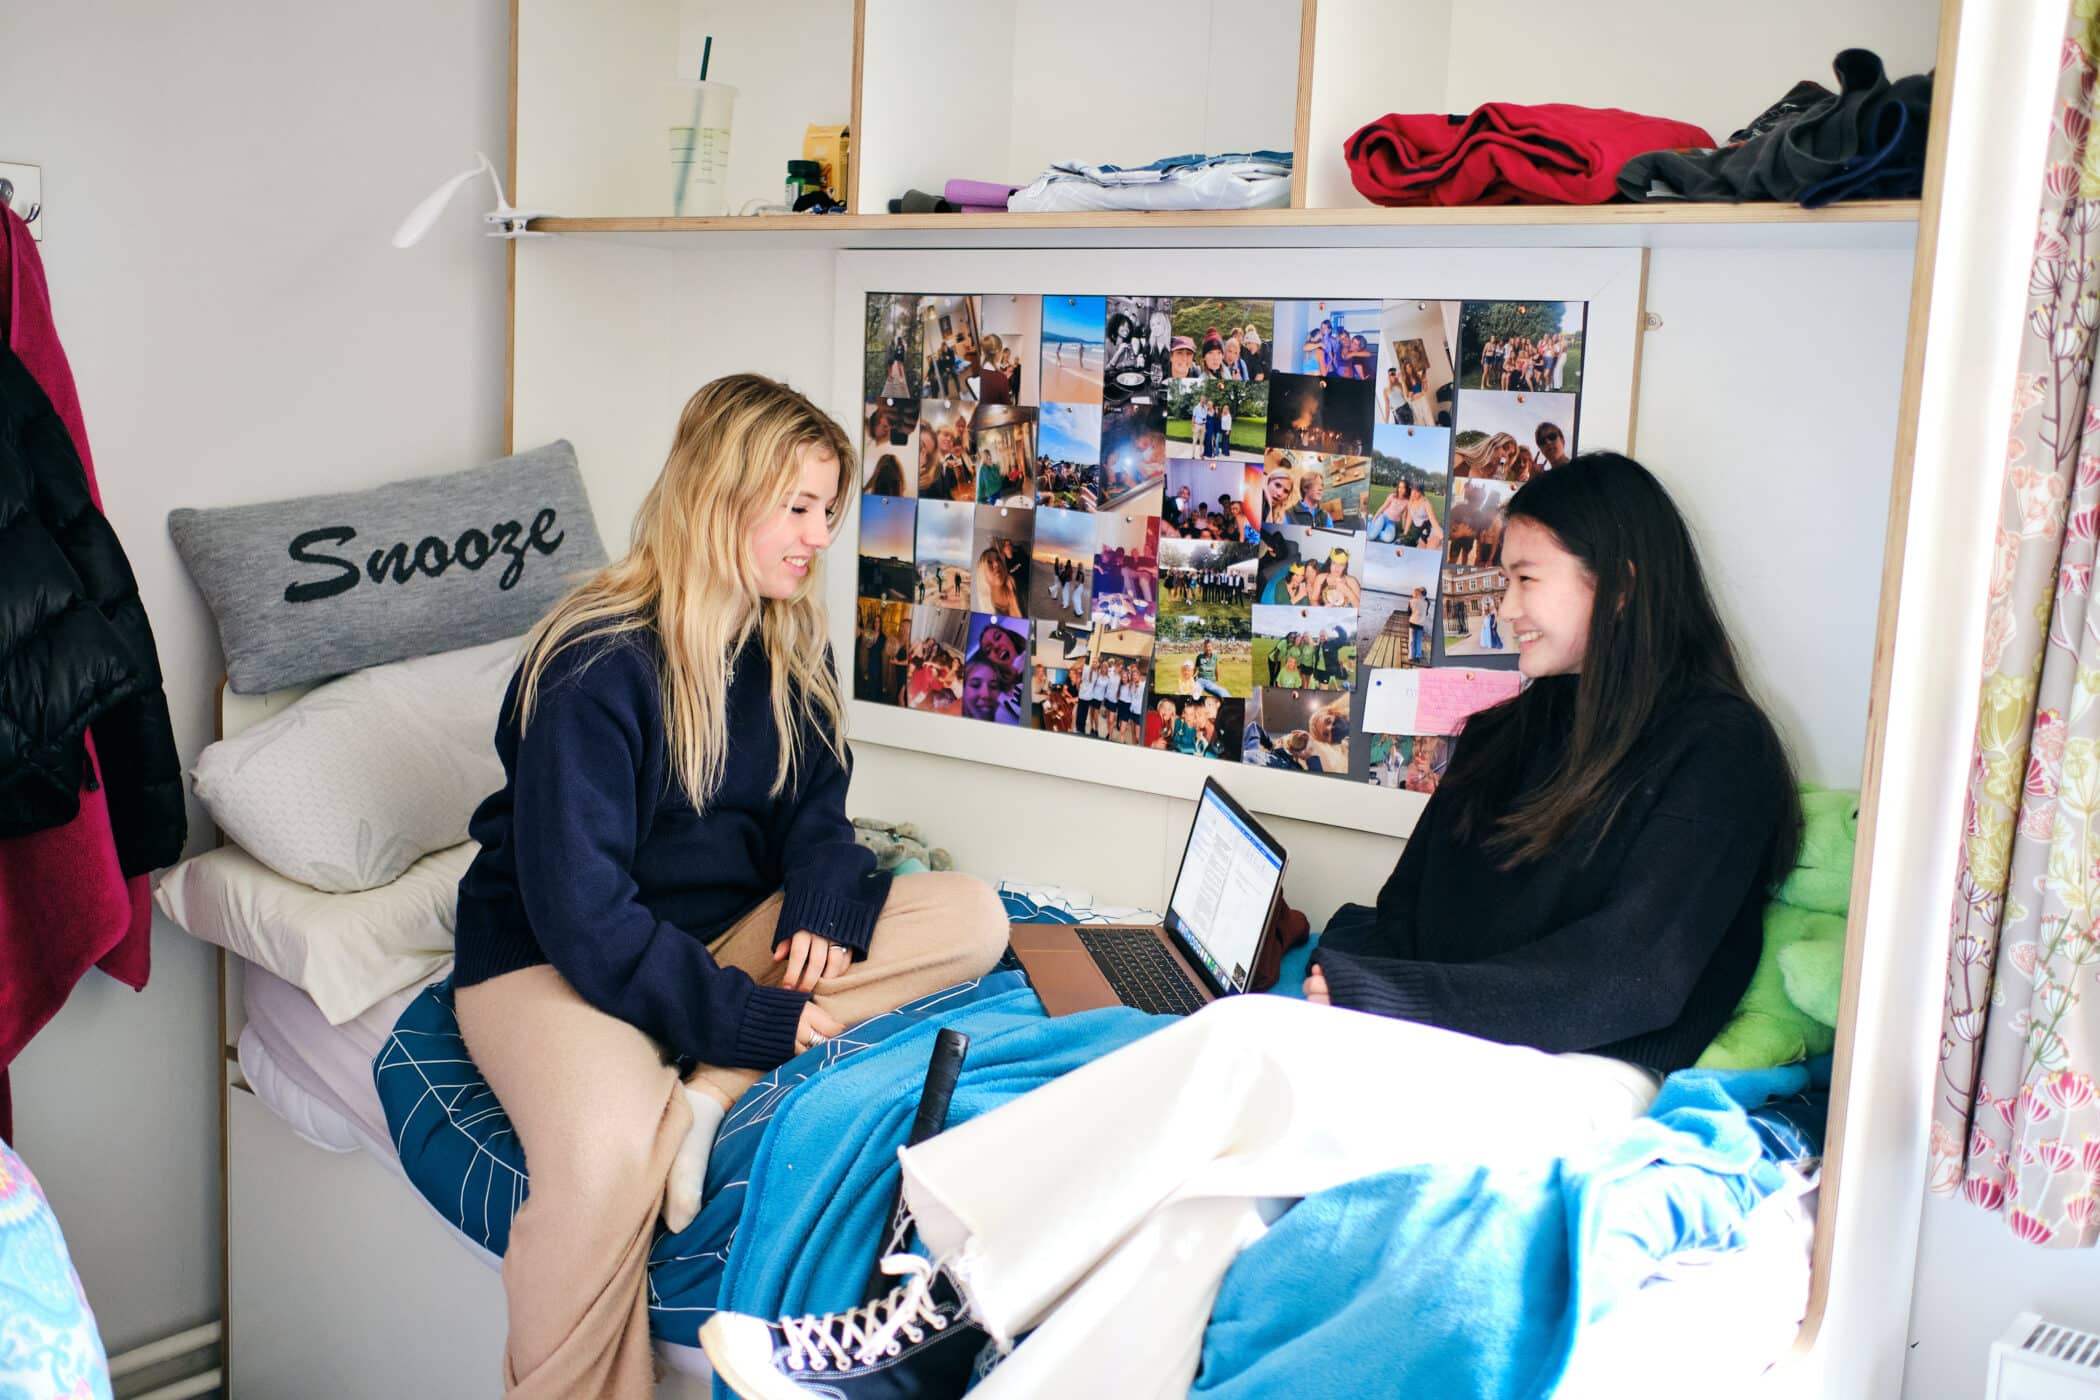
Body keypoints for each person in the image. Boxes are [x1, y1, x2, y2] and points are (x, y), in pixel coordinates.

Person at [701, 451, 1805, 1399]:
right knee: (1204, 1208)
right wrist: (1342, 979)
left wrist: (1367, 1000)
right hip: (1446, 1043)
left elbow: (1632, 979)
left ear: (1619, 587)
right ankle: (935, 1365)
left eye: (1524, 579)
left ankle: (932, 1288)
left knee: (1239, 1042)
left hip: (1582, 1072)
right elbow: (1409, 911)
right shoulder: (1511, 734)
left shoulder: (1718, 750)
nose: (1501, 607)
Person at [448, 375, 1008, 1400]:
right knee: (609, 1154)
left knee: (971, 913)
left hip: (709, 940)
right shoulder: (594, 662)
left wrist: (824, 906)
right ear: (720, 495)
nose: (816, 537)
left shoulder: (785, 640)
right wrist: (751, 1017)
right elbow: (585, 913)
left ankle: (705, 1096)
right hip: (552, 959)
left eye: (827, 513)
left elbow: (820, 820)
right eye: (798, 508)